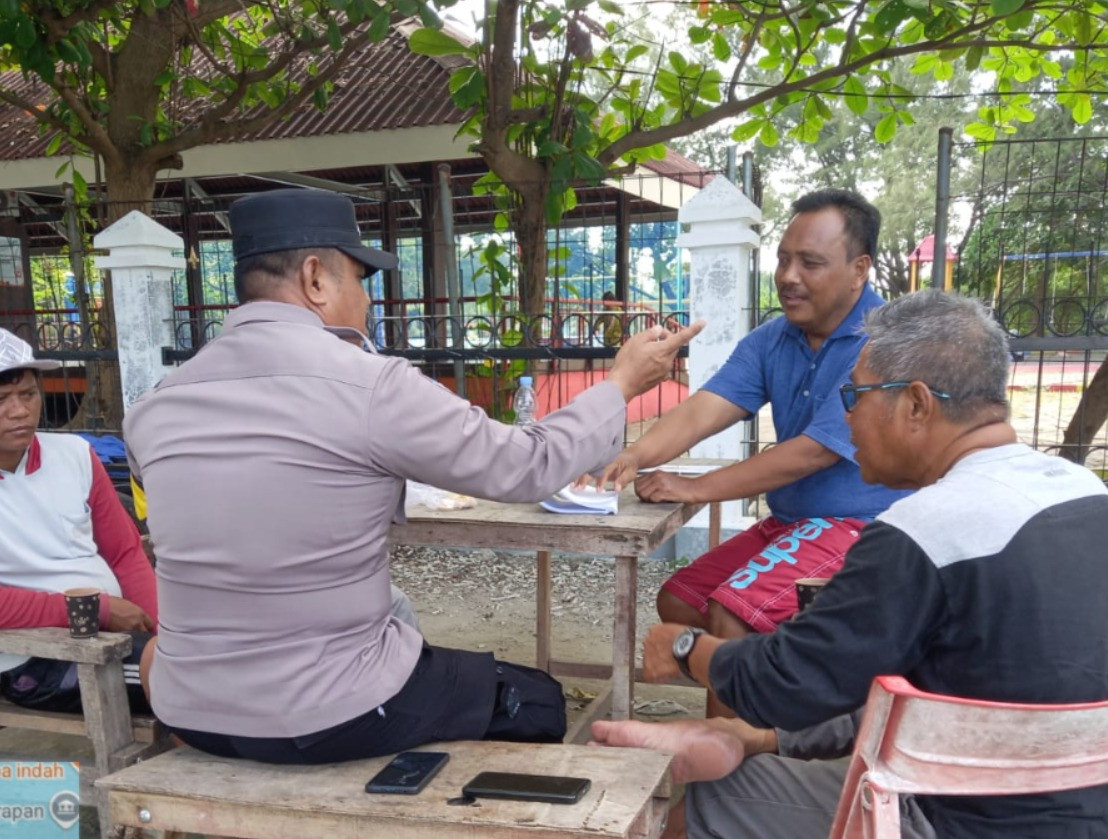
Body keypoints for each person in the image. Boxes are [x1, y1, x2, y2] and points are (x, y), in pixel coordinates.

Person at [122, 187, 703, 765]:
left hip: (190, 709)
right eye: (360, 280)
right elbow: (524, 466)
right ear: (316, 278)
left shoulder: (153, 407)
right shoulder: (369, 385)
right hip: (326, 714)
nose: (368, 303)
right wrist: (620, 383)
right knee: (541, 701)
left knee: (395, 613)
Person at [593, 289, 1108, 839]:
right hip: (1097, 802)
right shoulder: (1088, 494)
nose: (849, 421)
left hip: (962, 816)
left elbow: (789, 682)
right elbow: (918, 695)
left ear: (916, 404)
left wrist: (685, 648)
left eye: (854, 397)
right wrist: (757, 738)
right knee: (753, 756)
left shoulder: (924, 530)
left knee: (715, 794)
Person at [595, 189, 909, 715]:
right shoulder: (773, 339)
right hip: (795, 524)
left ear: (859, 270)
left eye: (810, 263)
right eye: (783, 258)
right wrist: (635, 457)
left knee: (730, 613)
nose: (788, 276)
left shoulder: (883, 344)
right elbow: (704, 409)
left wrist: (696, 487)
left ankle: (726, 766)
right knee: (680, 600)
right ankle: (777, 703)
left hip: (864, 526)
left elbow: (813, 453)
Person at [0, 329, 157, 713]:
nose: (19, 411)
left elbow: (123, 553)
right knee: (188, 674)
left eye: (29, 394)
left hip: (114, 635)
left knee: (213, 654)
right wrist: (96, 610)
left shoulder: (75, 455)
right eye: (1, 399)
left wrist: (161, 627)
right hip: (36, 659)